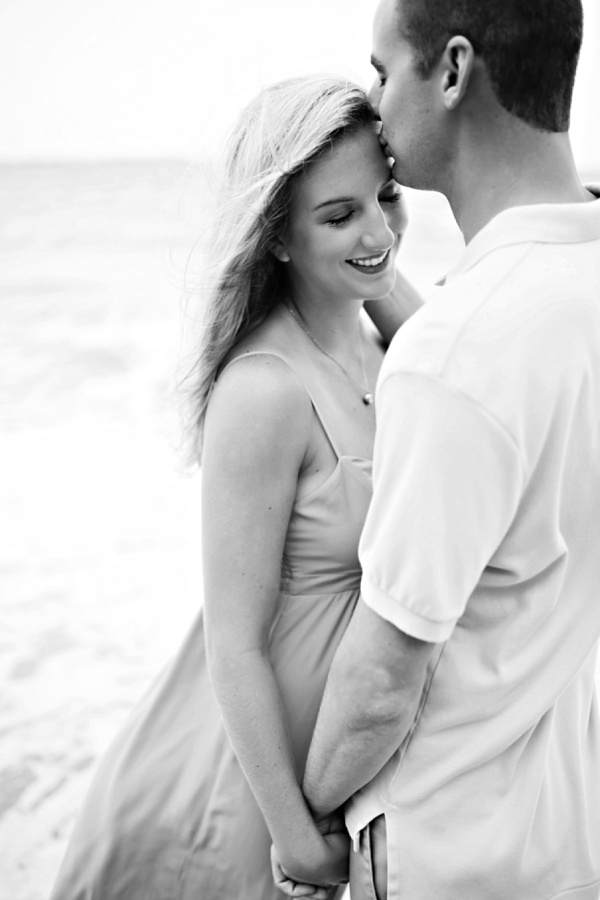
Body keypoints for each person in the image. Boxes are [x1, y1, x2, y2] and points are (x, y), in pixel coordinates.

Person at [49, 74, 422, 900]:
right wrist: (294, 841)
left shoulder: (381, 333)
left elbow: (469, 371)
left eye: (386, 194)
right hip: (245, 786)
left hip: (333, 761)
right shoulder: (264, 389)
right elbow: (235, 643)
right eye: (338, 213)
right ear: (277, 238)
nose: (376, 227)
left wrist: (375, 241)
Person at [272, 1, 600, 898]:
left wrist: (302, 828)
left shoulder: (458, 352)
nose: (374, 100)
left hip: (445, 850)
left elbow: (383, 680)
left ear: (452, 71)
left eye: (383, 71)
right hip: (566, 830)